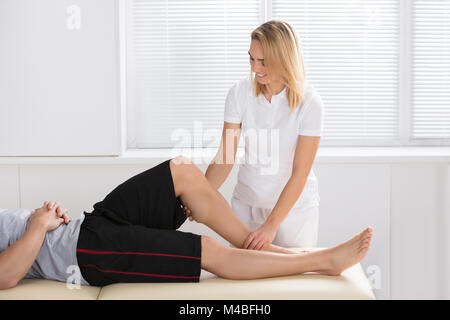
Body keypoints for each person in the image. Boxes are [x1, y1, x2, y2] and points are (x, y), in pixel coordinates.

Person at [0, 156, 372, 289]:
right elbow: (6, 275)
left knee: (183, 172)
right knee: (205, 250)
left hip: (90, 223)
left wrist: (47, 216)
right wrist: (38, 223)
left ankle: (263, 249)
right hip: (87, 254)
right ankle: (321, 262)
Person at [202, 20, 324, 251]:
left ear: (284, 60)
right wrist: (200, 195)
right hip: (247, 205)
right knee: (246, 280)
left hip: (294, 212)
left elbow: (300, 173)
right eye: (251, 59)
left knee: (291, 281)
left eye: (264, 62)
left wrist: (271, 225)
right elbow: (226, 156)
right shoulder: (239, 94)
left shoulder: (310, 103)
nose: (255, 69)